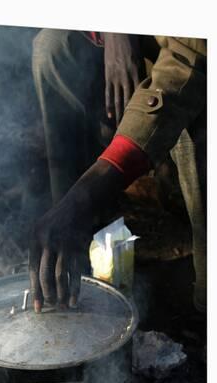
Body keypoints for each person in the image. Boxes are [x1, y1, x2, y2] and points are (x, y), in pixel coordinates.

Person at [29, 30, 206, 313]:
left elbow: (192, 58)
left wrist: (91, 191)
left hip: (191, 48)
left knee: (200, 108)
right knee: (52, 50)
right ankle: (69, 250)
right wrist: (113, 27)